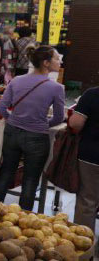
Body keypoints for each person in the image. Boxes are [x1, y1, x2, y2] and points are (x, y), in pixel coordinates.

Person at [0, 46, 65, 211]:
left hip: (12, 133)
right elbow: (59, 117)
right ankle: (24, 218)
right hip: (37, 138)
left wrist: (14, 120)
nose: (59, 61)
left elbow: (1, 108)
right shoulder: (56, 88)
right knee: (31, 180)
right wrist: (41, 125)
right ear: (46, 63)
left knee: (5, 173)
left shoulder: (17, 80)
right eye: (56, 58)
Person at [70, 85, 99, 235]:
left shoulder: (92, 94)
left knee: (88, 201)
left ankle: (84, 246)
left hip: (92, 156)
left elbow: (75, 123)